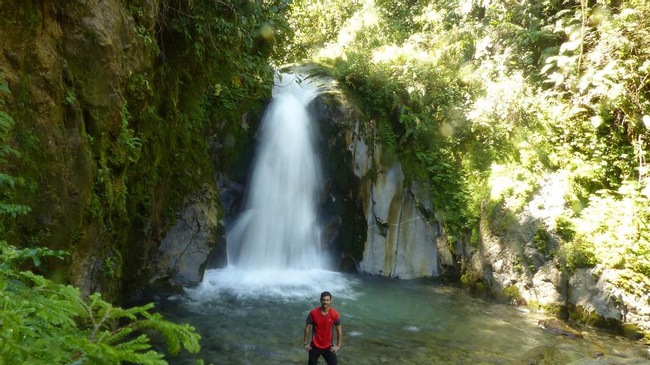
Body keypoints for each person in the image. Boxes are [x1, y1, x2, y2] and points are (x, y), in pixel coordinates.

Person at [304, 291, 342, 365]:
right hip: (314, 346)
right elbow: (307, 328)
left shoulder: (335, 314)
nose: (325, 302)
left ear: (330, 300)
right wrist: (305, 343)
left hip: (328, 347)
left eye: (327, 300)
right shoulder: (313, 313)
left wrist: (338, 345)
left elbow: (339, 330)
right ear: (321, 300)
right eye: (324, 300)